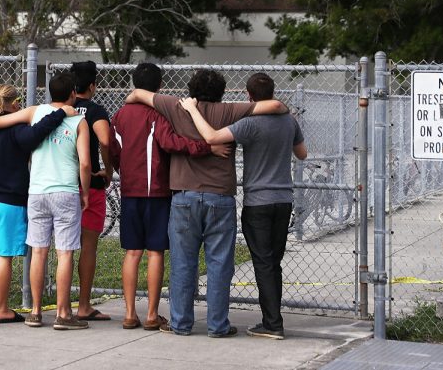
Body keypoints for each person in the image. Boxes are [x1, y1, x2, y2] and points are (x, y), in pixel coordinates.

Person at [125, 69, 287, 337]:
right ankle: (217, 325)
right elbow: (276, 105)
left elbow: (138, 94)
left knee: (182, 263)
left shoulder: (175, 106)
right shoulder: (232, 110)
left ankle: (180, 323)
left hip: (184, 197)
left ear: (191, 89)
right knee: (220, 264)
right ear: (222, 91)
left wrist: (133, 103)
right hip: (220, 197)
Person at [180, 73, 307, 340]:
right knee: (273, 262)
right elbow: (302, 153)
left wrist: (192, 110)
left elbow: (213, 137)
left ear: (249, 97)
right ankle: (272, 319)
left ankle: (273, 323)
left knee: (262, 262)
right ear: (273, 92)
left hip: (258, 202)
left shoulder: (248, 124)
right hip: (284, 200)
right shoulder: (289, 121)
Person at [109, 62, 230, 331]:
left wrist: (123, 171)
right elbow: (171, 143)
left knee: (131, 253)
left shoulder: (118, 115)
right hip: (157, 192)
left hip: (129, 190)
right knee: (155, 253)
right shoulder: (157, 114)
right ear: (160, 86)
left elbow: (112, 148)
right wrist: (206, 147)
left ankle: (129, 313)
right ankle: (152, 314)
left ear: (133, 83)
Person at [0, 72, 91, 330]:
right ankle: (63, 314)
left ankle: (36, 311)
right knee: (64, 253)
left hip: (37, 191)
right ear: (73, 94)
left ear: (50, 92)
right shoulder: (79, 121)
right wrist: (84, 191)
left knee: (38, 252)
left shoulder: (34, 112)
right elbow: (85, 162)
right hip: (65, 190)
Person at [70, 61, 114, 321]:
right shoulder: (95, 111)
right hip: (91, 185)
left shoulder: (59, 109)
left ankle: (52, 305)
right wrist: (108, 170)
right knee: (88, 246)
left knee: (60, 248)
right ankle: (83, 305)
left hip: (63, 182)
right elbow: (106, 140)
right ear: (92, 85)